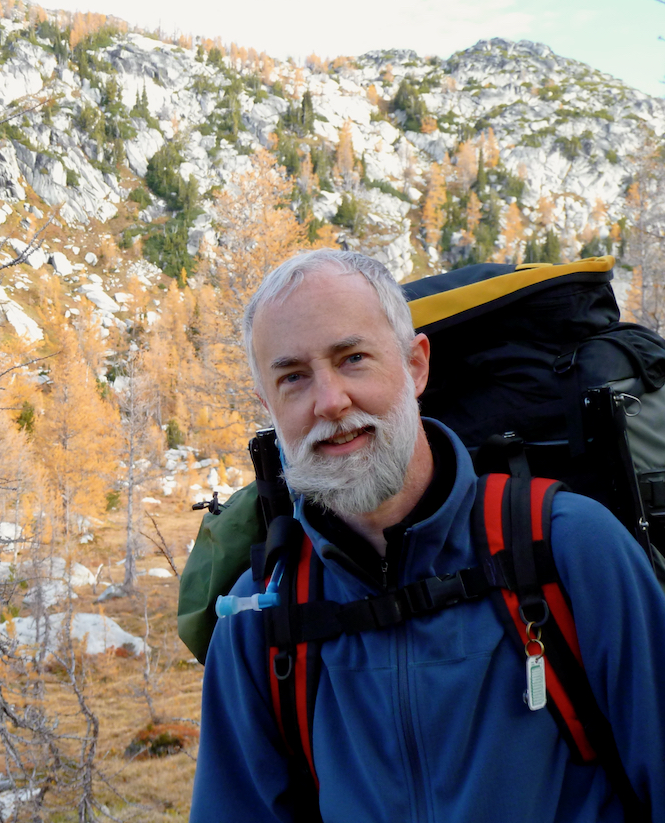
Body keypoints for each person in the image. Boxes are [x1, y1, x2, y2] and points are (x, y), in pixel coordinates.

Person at [190, 249, 665, 822]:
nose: (330, 401)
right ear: (269, 405)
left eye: (353, 358)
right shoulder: (258, 622)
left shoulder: (568, 550)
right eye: (293, 377)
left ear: (416, 366)